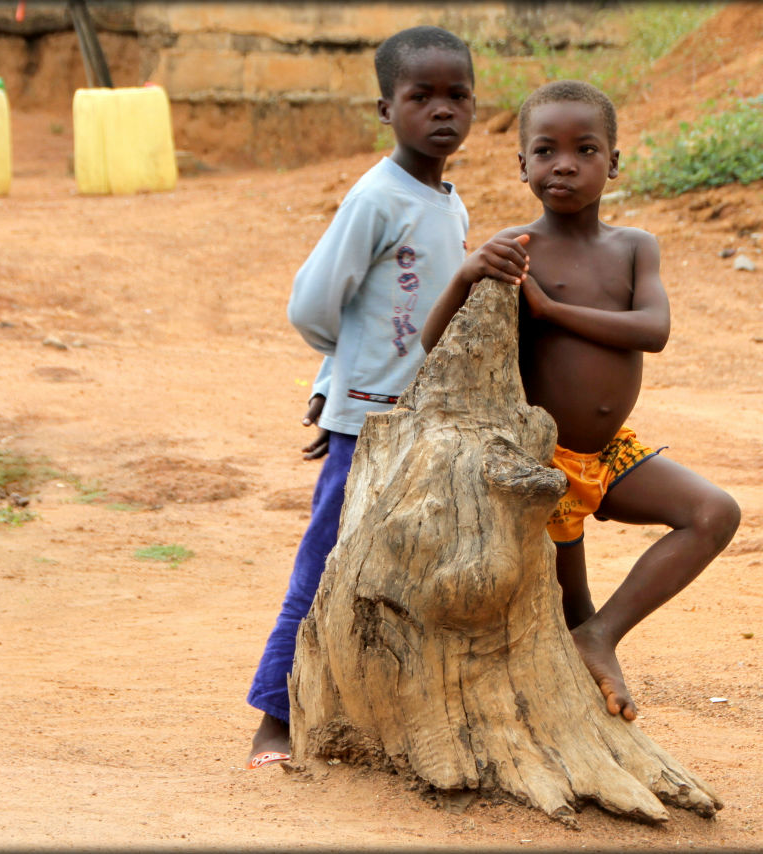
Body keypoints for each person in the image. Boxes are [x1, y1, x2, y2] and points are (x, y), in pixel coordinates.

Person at [421, 80, 740, 723]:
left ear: (614, 163)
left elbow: (654, 331)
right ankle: (584, 685)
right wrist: (465, 272)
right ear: (523, 167)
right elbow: (436, 347)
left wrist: (552, 309)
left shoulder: (633, 247)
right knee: (572, 603)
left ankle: (601, 638)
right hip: (541, 467)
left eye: (585, 149)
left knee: (713, 513)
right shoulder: (515, 248)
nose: (563, 163)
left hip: (610, 455)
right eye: (545, 151)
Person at [246, 25, 477, 769]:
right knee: (324, 563)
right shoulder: (377, 197)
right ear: (386, 109)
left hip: (427, 421)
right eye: (421, 97)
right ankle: (274, 719)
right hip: (370, 423)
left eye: (458, 96)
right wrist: (339, 383)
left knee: (416, 566)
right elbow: (315, 305)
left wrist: (333, 380)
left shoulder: (449, 201)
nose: (442, 110)